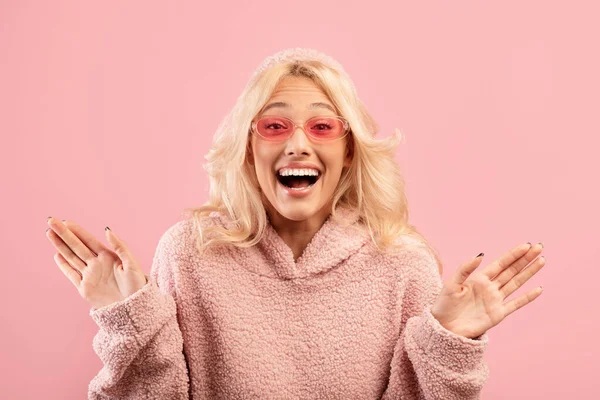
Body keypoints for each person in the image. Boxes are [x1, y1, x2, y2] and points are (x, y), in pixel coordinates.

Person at [46, 47, 546, 399]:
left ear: (348, 153)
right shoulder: (188, 253)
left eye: (322, 126)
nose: (298, 144)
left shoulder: (403, 263)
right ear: (249, 146)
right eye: (275, 125)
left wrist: (447, 345)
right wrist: (130, 320)